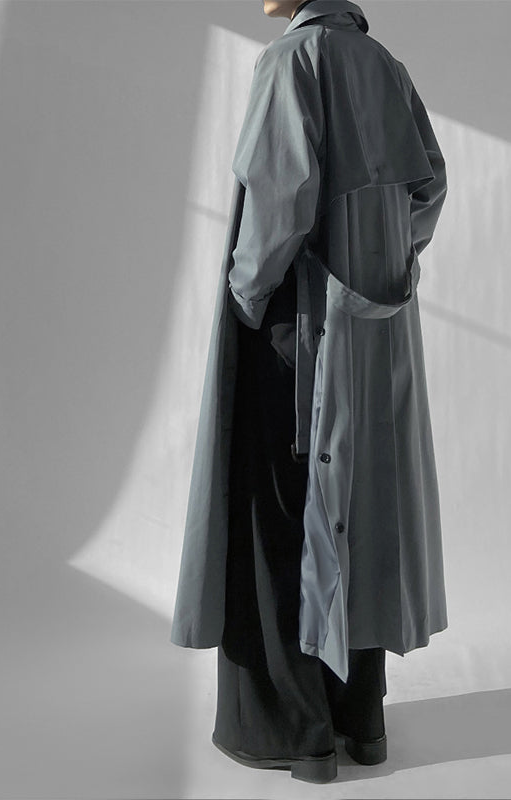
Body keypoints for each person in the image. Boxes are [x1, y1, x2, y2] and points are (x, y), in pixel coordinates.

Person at [170, 0, 449, 784]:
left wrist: (243, 296)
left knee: (276, 516)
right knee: (355, 509)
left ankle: (300, 735)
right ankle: (362, 722)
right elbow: (430, 187)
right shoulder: (384, 66)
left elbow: (279, 203)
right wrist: (381, 262)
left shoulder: (291, 61)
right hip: (371, 333)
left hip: (297, 328)